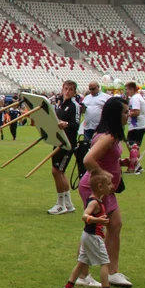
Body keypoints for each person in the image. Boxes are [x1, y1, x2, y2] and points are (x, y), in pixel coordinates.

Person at [77, 97, 132, 288]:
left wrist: (122, 163)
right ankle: (83, 275)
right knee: (94, 231)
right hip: (95, 188)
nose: (128, 115)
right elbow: (88, 160)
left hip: (105, 188)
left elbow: (106, 158)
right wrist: (104, 174)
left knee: (115, 225)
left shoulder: (111, 135)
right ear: (115, 115)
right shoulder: (108, 136)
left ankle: (112, 271)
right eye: (125, 112)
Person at [62, 170, 126, 288]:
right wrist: (98, 221)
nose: (112, 187)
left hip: (89, 236)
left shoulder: (99, 200)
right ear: (100, 187)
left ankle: (68, 287)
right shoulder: (94, 202)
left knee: (82, 262)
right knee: (105, 263)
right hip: (93, 236)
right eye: (108, 184)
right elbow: (84, 216)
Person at [49, 81, 81, 216]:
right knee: (59, 172)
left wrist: (66, 124)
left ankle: (60, 204)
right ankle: (68, 204)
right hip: (58, 142)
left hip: (68, 144)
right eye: (66, 89)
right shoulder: (62, 105)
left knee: (57, 171)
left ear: (74, 92)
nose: (67, 91)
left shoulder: (75, 106)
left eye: (70, 89)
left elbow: (76, 125)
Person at [125, 82, 145, 175]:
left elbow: (137, 112)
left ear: (131, 89)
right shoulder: (137, 97)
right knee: (134, 147)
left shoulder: (135, 98)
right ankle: (137, 166)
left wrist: (126, 114)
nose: (126, 91)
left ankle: (134, 167)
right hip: (139, 125)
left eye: (127, 89)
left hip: (137, 126)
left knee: (131, 145)